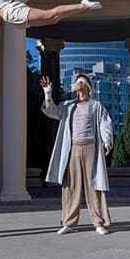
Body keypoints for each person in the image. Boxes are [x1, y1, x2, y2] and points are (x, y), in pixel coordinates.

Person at [40, 73, 114, 235]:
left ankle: (98, 222)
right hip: (72, 149)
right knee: (70, 186)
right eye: (76, 82)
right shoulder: (67, 105)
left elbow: (104, 123)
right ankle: (69, 222)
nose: (77, 84)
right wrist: (48, 93)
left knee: (94, 185)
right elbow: (51, 111)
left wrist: (106, 141)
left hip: (91, 149)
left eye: (81, 82)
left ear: (88, 87)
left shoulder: (96, 106)